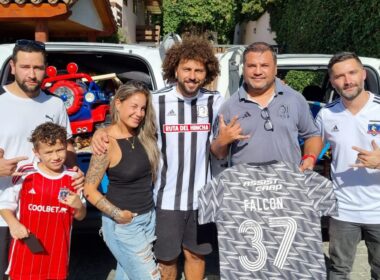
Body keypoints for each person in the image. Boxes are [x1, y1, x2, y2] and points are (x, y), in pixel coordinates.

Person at [91, 38, 222, 280]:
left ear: (207, 73)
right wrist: (102, 131)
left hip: (202, 199)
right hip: (164, 199)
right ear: (175, 69)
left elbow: (220, 147)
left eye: (198, 70)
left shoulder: (215, 101)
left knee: (196, 256)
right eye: (187, 69)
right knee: (166, 259)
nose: (192, 76)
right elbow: (129, 121)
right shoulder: (156, 101)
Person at [0, 39, 84, 280]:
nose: (32, 74)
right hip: (4, 212)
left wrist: (73, 171)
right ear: (13, 67)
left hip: (42, 211)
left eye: (37, 68)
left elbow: (67, 147)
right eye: (25, 67)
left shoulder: (55, 103)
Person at [84, 81, 160, 280]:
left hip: (147, 219)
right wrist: (118, 214)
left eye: (143, 108)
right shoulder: (106, 142)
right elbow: (89, 190)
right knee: (151, 277)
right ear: (118, 104)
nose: (139, 113)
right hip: (124, 225)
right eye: (133, 106)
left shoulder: (144, 135)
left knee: (126, 275)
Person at [316, 52, 380, 279]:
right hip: (343, 209)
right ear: (333, 82)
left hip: (379, 211)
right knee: (338, 270)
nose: (347, 80)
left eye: (352, 73)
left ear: (363, 74)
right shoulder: (326, 114)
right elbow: (312, 148)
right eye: (339, 76)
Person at [211, 42, 322, 170]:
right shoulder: (230, 106)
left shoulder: (295, 99)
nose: (258, 71)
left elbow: (312, 135)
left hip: (288, 185)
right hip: (245, 187)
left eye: (264, 65)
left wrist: (310, 157)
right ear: (244, 69)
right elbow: (218, 154)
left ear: (275, 69)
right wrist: (221, 141)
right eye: (252, 66)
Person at [0, 122, 86, 280]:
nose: (56, 157)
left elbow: (80, 216)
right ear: (36, 152)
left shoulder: (73, 178)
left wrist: (79, 206)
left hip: (57, 254)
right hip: (26, 249)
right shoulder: (26, 173)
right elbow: (5, 205)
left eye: (60, 150)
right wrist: (14, 224)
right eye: (48, 152)